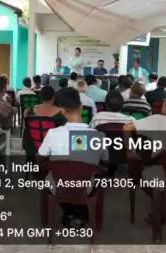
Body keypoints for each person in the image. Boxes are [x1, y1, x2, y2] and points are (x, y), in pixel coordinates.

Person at [38, 87, 108, 227]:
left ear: (61, 110)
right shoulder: (99, 136)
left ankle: (70, 212)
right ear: (81, 107)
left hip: (58, 186)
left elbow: (40, 157)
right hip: (86, 187)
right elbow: (105, 160)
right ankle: (79, 212)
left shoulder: (53, 133)